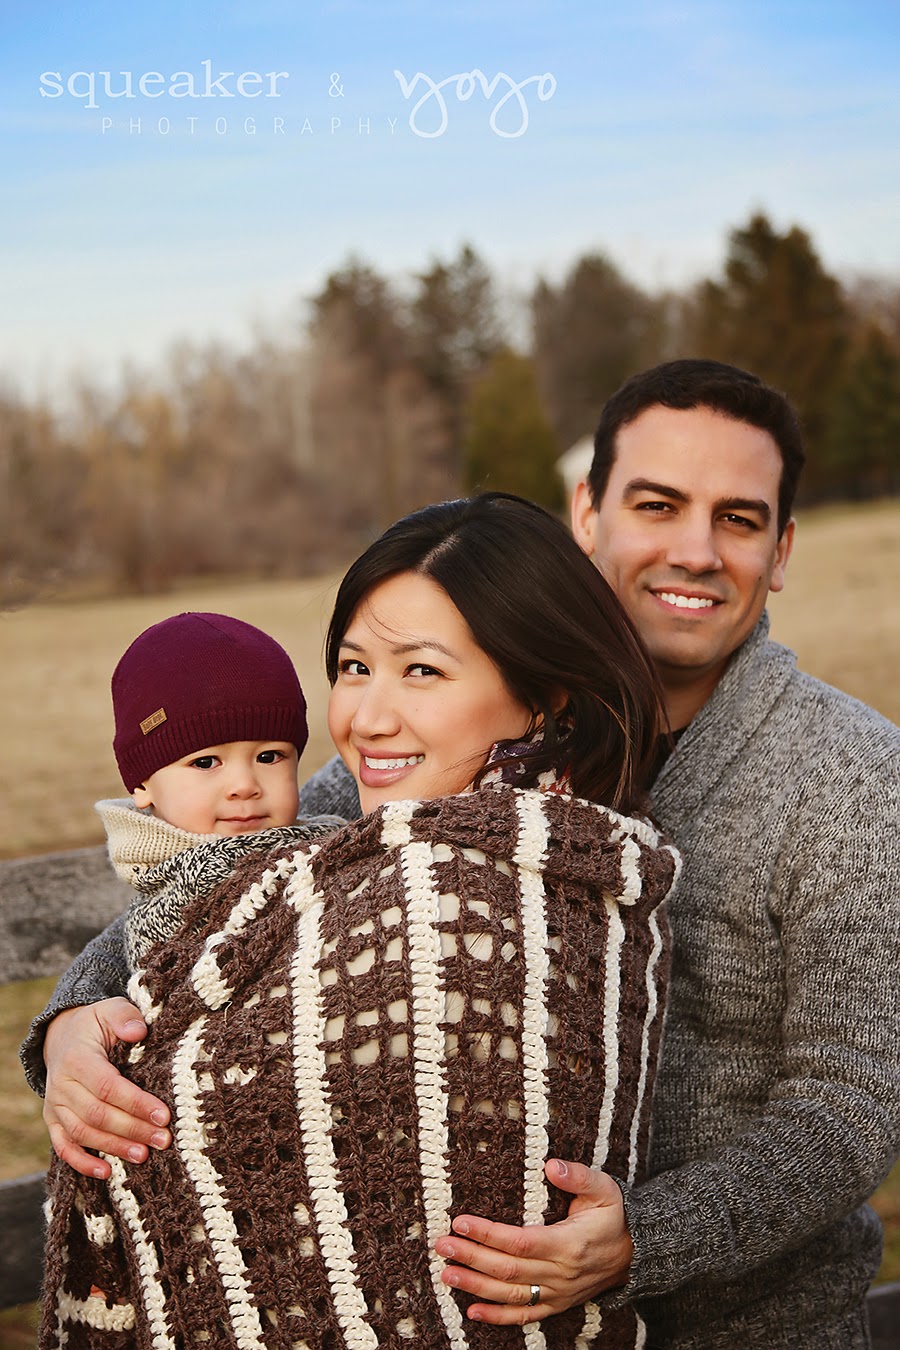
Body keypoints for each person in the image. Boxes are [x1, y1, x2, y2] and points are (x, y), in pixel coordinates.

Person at [22, 359, 899, 1346]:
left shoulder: (849, 775)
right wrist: (68, 1026)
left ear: (782, 549)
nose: (694, 550)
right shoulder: (439, 765)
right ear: (588, 511)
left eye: (737, 519)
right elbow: (221, 882)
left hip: (743, 1327)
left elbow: (848, 1106)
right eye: (657, 505)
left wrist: (641, 1240)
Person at [35, 494, 680, 1350]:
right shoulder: (372, 811)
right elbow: (168, 922)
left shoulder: (512, 877)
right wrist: (69, 1027)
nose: (366, 720)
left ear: (539, 696)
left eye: (421, 671)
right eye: (352, 666)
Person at [97, 610, 344, 974]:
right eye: (205, 762)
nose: (244, 785)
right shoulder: (168, 917)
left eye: (269, 756)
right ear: (141, 784)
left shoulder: (337, 846)